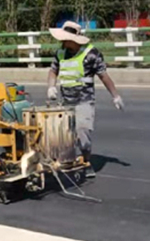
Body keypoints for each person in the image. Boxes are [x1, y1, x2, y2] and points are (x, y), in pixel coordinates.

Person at [46, 21, 123, 177]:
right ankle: (68, 164)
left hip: (83, 100)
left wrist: (115, 96)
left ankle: (86, 161)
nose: (62, 42)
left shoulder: (91, 54)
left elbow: (103, 76)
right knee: (64, 137)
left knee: (83, 135)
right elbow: (53, 71)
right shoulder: (60, 52)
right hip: (66, 102)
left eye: (65, 39)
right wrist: (51, 86)